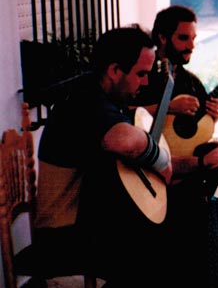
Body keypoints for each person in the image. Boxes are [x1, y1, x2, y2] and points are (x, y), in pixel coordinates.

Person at [34, 26, 172, 286]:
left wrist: (197, 163)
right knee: (163, 250)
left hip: (86, 231)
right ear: (114, 71)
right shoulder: (85, 102)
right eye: (141, 74)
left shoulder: (102, 97)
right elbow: (125, 140)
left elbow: (129, 162)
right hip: (66, 245)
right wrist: (161, 159)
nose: (146, 82)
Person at [133, 5, 218, 287]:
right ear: (163, 38)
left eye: (193, 37)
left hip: (183, 168)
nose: (192, 45)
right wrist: (167, 107)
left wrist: (214, 114)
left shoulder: (190, 81)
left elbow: (198, 129)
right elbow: (126, 114)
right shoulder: (144, 75)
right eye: (183, 38)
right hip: (147, 173)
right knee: (191, 222)